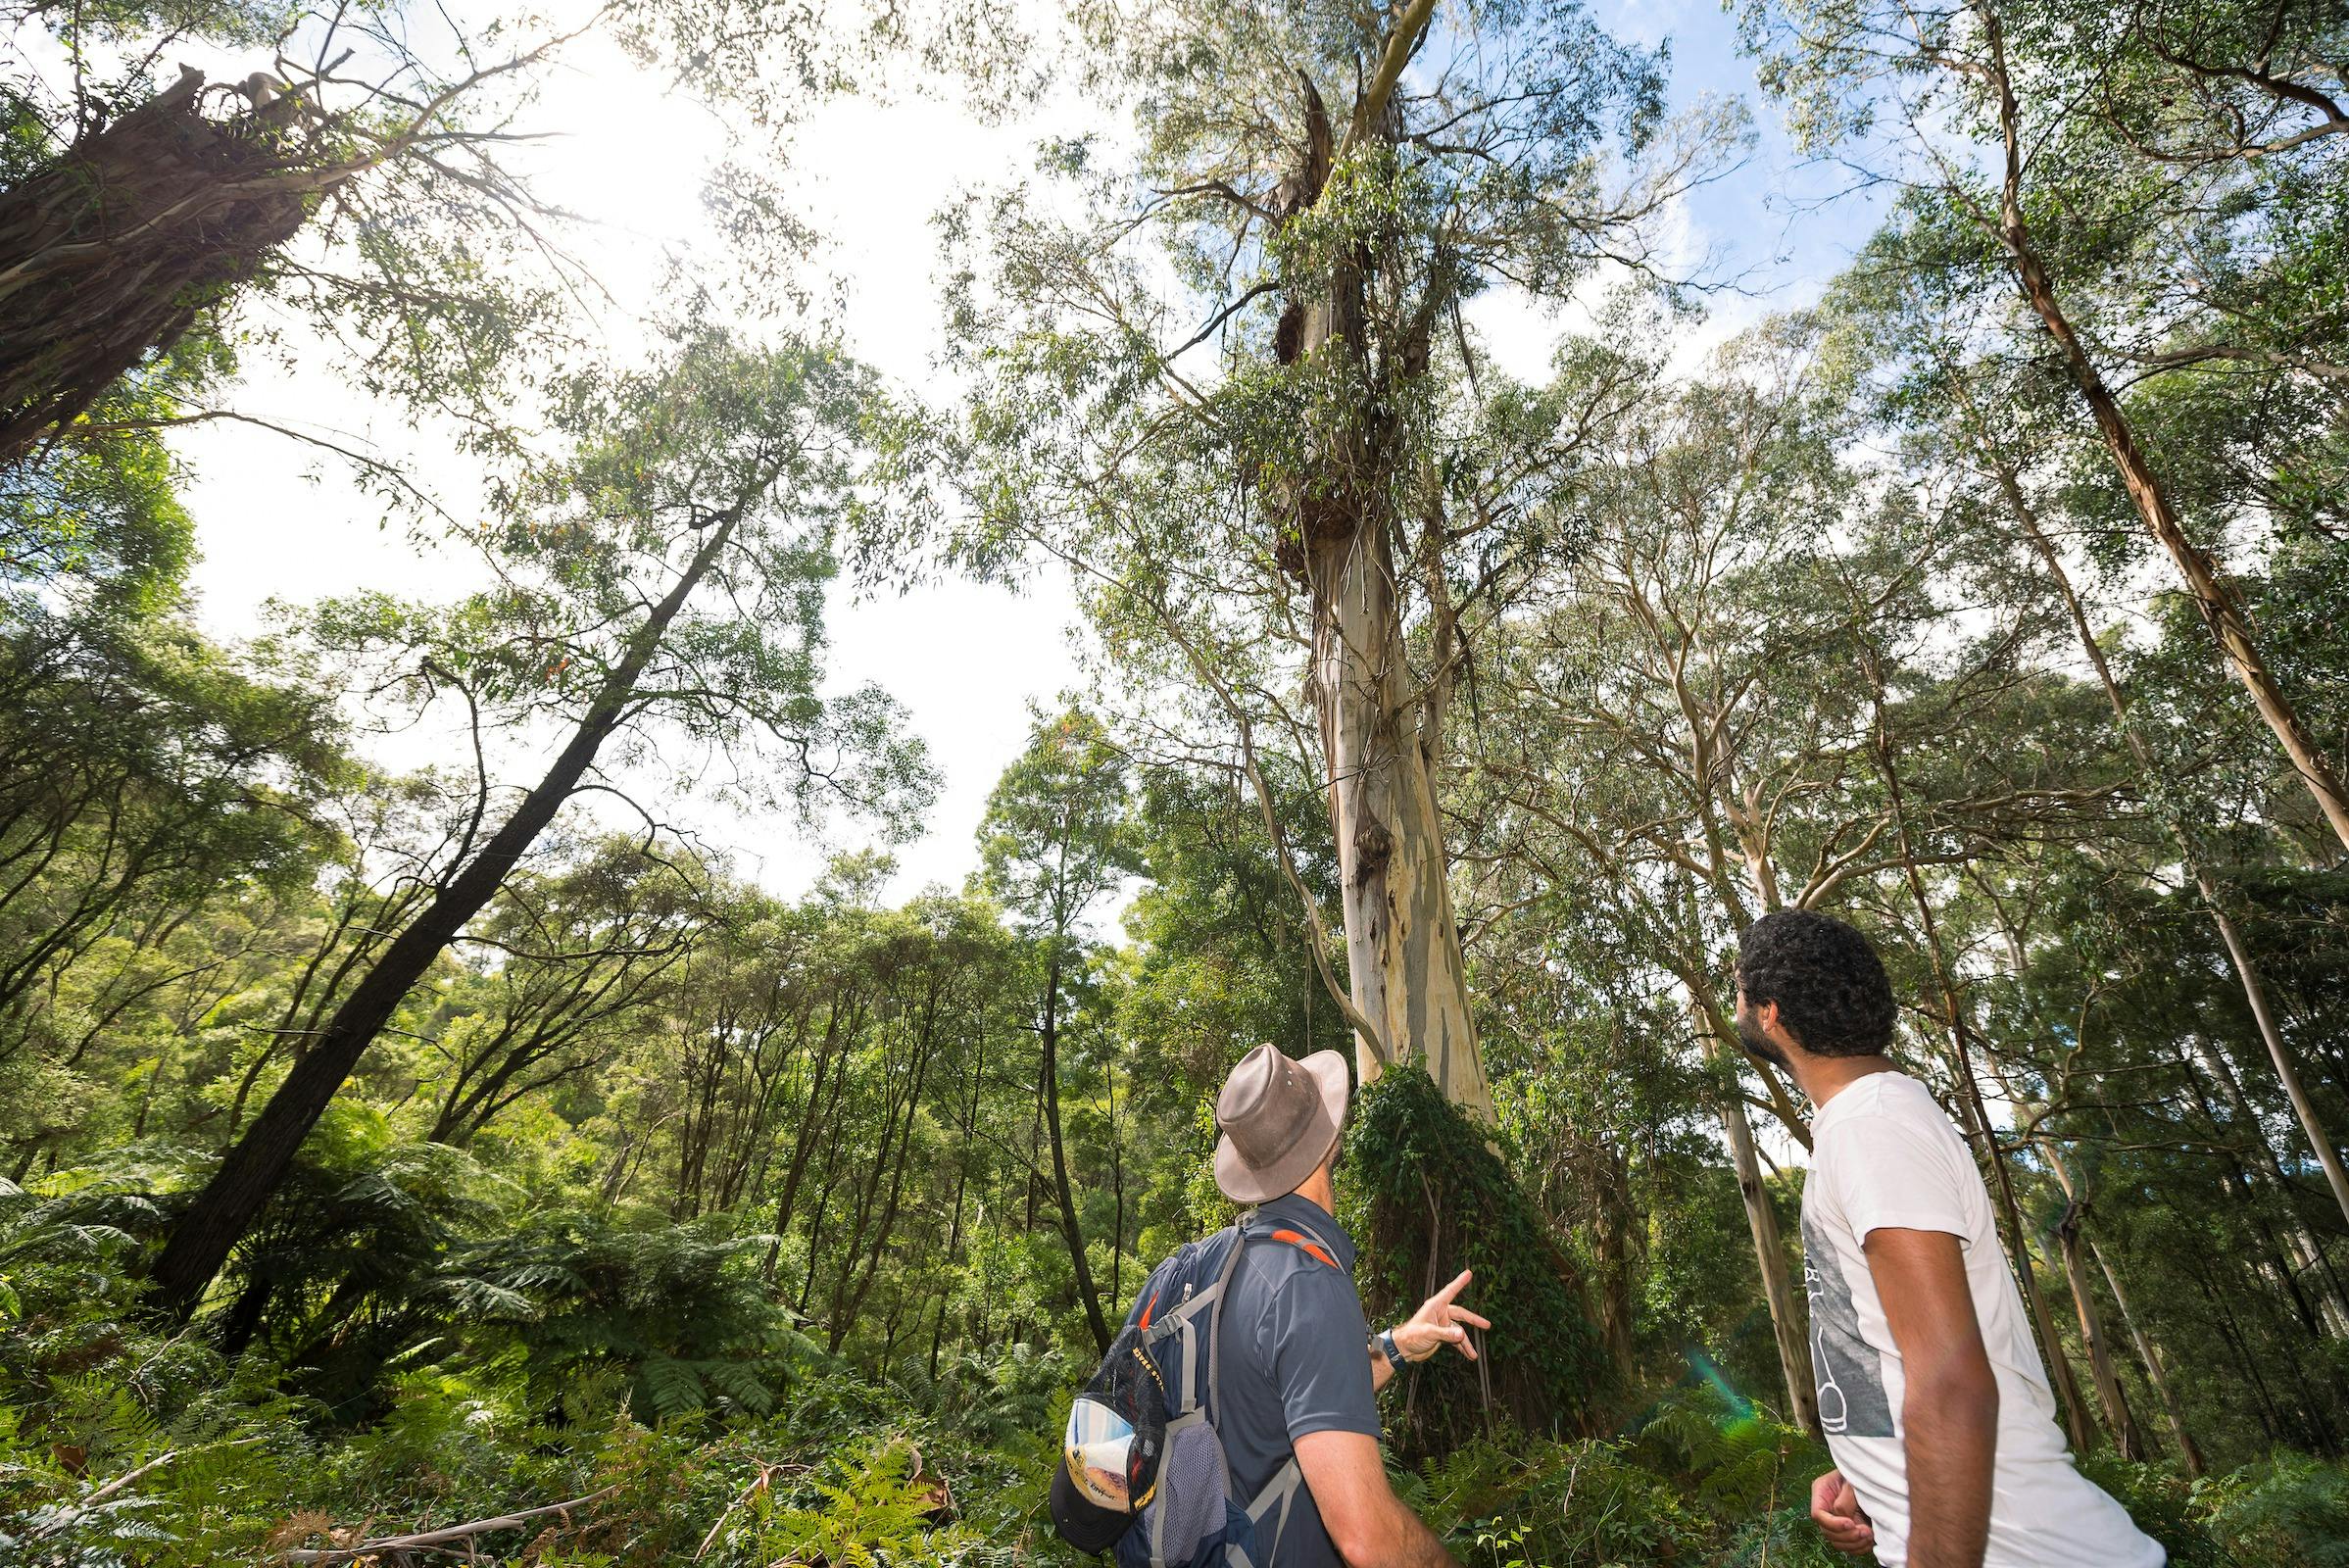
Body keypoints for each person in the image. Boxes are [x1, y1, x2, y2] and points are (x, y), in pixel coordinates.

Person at [1733, 909, 2163, 1568]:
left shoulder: (1873, 1130)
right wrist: (1868, 1471)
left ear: (1768, 1013)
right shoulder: (1866, 1127)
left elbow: (1951, 1383)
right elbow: (1902, 1353)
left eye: (1736, 990)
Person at [1176, 1043, 1487, 1568]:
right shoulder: (1305, 1285)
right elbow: (1369, 1540)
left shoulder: (1206, 1268)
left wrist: (1397, 1346)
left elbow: (1285, 1405)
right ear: (1330, 1139)